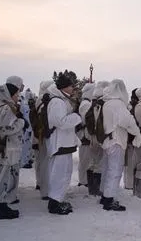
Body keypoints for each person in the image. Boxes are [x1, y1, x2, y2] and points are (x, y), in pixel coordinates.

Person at [101, 79, 141, 211]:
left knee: (108, 169)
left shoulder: (107, 103)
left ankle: (105, 195)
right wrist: (137, 133)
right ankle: (109, 199)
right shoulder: (118, 104)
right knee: (115, 171)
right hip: (117, 140)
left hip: (108, 140)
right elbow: (127, 121)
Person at [45, 73, 81, 215]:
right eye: (72, 85)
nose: (73, 88)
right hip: (60, 143)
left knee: (64, 173)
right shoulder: (57, 102)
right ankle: (54, 203)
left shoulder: (61, 100)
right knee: (59, 174)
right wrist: (77, 117)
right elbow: (60, 122)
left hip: (64, 144)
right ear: (65, 87)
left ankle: (58, 199)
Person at [0, 83, 27, 219]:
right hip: (7, 148)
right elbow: (5, 129)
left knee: (4, 175)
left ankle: (3, 204)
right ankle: (1, 207)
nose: (18, 96)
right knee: (3, 176)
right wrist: (21, 123)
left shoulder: (6, 106)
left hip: (9, 147)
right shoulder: (6, 108)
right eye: (16, 94)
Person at [77, 83, 95, 188]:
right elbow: (85, 120)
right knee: (85, 160)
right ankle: (83, 180)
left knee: (86, 159)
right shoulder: (86, 104)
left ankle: (84, 180)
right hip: (85, 135)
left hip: (85, 135)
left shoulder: (85, 103)